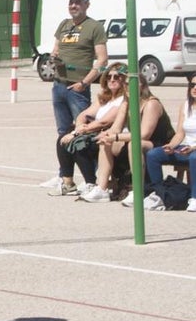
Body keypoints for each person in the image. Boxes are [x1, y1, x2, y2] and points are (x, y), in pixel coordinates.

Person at [48, 0, 108, 196]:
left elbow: (102, 60)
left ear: (86, 5)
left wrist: (85, 82)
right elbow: (55, 50)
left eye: (78, 2)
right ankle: (65, 177)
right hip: (59, 85)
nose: (73, 5)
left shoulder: (94, 27)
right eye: (71, 1)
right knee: (63, 133)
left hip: (78, 87)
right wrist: (53, 58)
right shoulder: (64, 25)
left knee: (84, 132)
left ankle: (91, 179)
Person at [84, 72, 173, 203]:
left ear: (142, 85)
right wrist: (108, 135)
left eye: (131, 84)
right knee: (105, 143)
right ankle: (102, 189)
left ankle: (137, 190)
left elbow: (144, 134)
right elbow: (116, 127)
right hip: (139, 139)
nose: (127, 88)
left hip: (160, 143)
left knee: (134, 144)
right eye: (125, 84)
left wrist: (116, 137)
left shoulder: (151, 103)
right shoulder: (127, 101)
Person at [55, 63, 128, 199]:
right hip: (96, 132)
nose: (111, 80)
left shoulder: (123, 100)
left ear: (124, 79)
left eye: (117, 77)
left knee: (79, 143)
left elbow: (105, 121)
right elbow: (83, 115)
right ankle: (68, 183)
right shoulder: (104, 98)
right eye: (108, 77)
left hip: (112, 135)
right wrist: (78, 127)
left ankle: (91, 183)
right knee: (63, 139)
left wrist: (79, 132)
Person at [140, 75, 196, 212]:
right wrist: (171, 146)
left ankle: (194, 198)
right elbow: (180, 133)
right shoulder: (186, 105)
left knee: (194, 158)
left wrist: (193, 147)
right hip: (186, 148)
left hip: (193, 150)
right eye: (192, 85)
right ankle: (160, 193)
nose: (194, 88)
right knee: (154, 154)